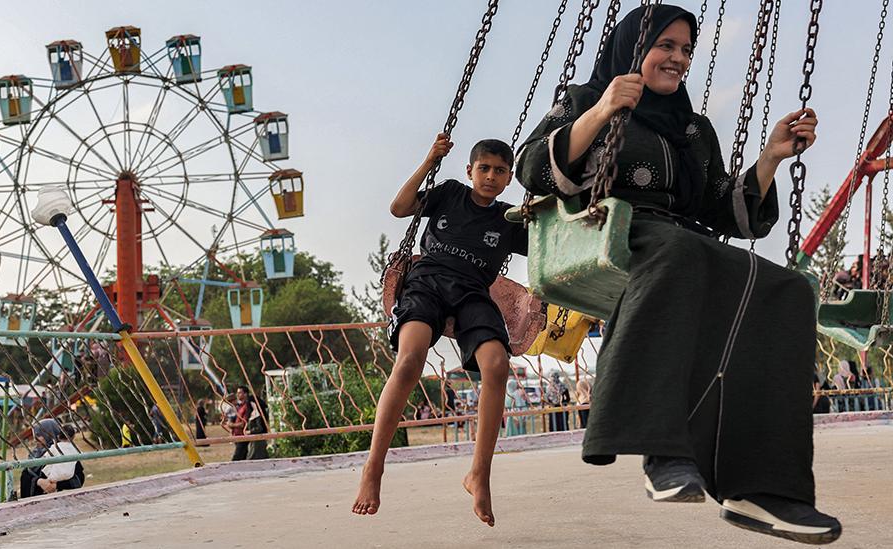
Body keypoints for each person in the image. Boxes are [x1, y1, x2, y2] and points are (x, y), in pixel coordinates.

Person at [515, 5, 840, 543]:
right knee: (680, 251)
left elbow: (724, 211)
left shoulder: (693, 129)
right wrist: (600, 112)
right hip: (611, 227)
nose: (678, 58)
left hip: (681, 241)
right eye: (666, 45)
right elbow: (531, 169)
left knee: (786, 289)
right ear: (632, 48)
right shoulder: (580, 100)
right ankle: (662, 450)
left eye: (686, 49)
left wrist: (771, 157)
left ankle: (762, 489)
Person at [352, 135, 528, 527]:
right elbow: (399, 208)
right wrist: (430, 158)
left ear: (510, 178)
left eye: (500, 171)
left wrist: (552, 202)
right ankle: (373, 467)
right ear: (469, 171)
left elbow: (548, 242)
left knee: (497, 365)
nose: (490, 176)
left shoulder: (510, 219)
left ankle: (479, 473)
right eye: (483, 168)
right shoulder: (449, 193)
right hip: (426, 283)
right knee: (410, 361)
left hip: (472, 294)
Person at [35, 424, 85, 496]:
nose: (36, 439)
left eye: (39, 435)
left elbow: (78, 480)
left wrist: (57, 485)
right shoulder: (34, 455)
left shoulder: (54, 448)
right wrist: (39, 482)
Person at [223, 386, 251, 461]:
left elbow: (243, 423)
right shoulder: (238, 406)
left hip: (243, 435)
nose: (238, 395)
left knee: (236, 458)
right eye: (237, 393)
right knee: (242, 458)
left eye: (240, 393)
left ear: (245, 394)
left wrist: (231, 425)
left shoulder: (247, 406)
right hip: (237, 435)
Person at [245, 395, 269, 460]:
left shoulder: (257, 415)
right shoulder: (254, 414)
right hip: (254, 440)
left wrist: (250, 431)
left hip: (258, 440)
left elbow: (260, 428)